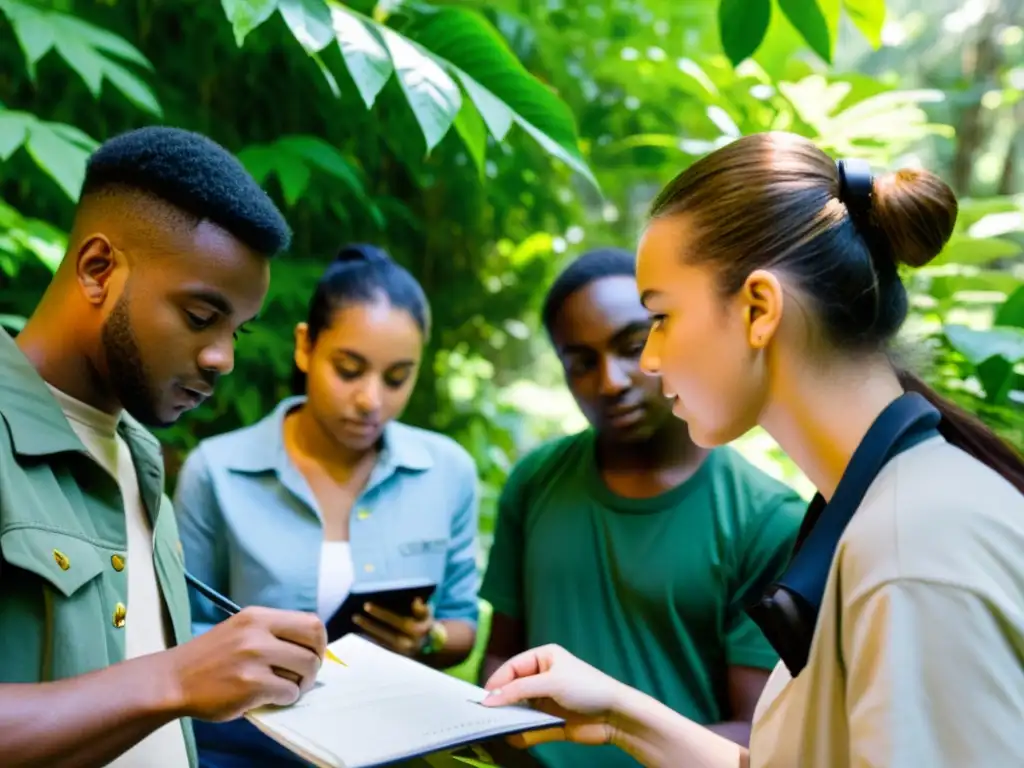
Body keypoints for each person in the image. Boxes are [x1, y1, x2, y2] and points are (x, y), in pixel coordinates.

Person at [479, 133, 1024, 767]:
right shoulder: (880, 512)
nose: (650, 360)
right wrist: (618, 713)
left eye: (660, 317)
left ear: (759, 310)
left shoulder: (915, 551)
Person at [0, 126, 331, 768]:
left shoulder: (142, 462)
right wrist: (178, 678)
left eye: (237, 330)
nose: (222, 358)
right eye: (201, 317)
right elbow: (165, 685)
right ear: (99, 270)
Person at [479, 247, 807, 768]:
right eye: (582, 362)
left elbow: (757, 733)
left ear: (668, 338)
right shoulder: (535, 481)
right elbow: (499, 661)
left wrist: (619, 731)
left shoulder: (767, 519)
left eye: (631, 346)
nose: (610, 381)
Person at [174, 244, 481, 767]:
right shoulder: (218, 471)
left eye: (397, 377)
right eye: (349, 369)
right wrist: (256, 654)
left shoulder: (447, 472)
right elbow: (176, 629)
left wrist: (424, 639)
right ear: (305, 347)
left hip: (388, 748)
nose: (370, 400)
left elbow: (461, 625)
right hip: (242, 751)